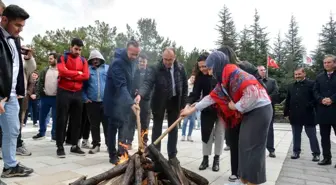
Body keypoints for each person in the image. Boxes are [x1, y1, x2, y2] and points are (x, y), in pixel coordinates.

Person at [181, 51, 272, 185]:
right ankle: (243, 179)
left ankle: (253, 182)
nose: (210, 73)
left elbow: (252, 94)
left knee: (252, 148)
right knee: (244, 146)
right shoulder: (224, 79)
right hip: (250, 112)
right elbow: (210, 98)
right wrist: (191, 110)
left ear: (218, 65)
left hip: (260, 110)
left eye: (211, 68)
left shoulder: (236, 74)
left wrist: (235, 106)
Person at [135, 47, 188, 160]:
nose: (168, 62)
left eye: (170, 59)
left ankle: (172, 155)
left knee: (173, 128)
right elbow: (147, 83)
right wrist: (140, 94)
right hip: (159, 101)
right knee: (157, 128)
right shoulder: (155, 68)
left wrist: (183, 106)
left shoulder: (180, 68)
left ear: (175, 57)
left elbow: (185, 87)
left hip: (174, 100)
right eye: (165, 59)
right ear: (162, 57)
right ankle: (155, 154)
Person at [0, 4, 34, 177]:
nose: (20, 30)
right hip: (1, 95)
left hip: (11, 95)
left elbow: (16, 68)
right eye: (17, 25)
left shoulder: (15, 40)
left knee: (13, 130)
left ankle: (10, 166)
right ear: (4, 20)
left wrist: (19, 89)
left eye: (22, 26)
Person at [186, 53, 225, 173]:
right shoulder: (200, 77)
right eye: (200, 67)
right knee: (206, 134)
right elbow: (196, 94)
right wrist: (188, 104)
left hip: (221, 110)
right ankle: (205, 158)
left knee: (219, 134)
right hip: (207, 109)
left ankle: (216, 159)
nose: (202, 69)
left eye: (204, 66)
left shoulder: (219, 74)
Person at [104, 40, 140, 164]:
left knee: (123, 126)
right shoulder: (117, 63)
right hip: (114, 101)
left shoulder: (132, 62)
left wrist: (136, 92)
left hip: (124, 100)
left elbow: (132, 79)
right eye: (132, 54)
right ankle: (112, 154)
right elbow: (121, 86)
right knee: (113, 127)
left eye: (136, 54)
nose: (134, 57)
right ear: (127, 50)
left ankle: (121, 150)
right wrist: (130, 103)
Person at [55, 38, 89, 158]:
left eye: (80, 49)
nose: (78, 51)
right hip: (64, 91)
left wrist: (71, 74)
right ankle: (60, 146)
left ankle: (75, 145)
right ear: (71, 47)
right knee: (62, 119)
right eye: (76, 49)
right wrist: (77, 74)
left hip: (77, 93)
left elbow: (86, 75)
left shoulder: (84, 60)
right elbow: (62, 72)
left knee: (77, 120)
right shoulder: (62, 57)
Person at [284, 68, 320, 161]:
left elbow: (316, 98)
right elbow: (288, 100)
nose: (297, 76)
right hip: (295, 115)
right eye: (296, 74)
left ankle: (316, 153)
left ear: (304, 73)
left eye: (299, 74)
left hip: (308, 114)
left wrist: (309, 105)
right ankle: (296, 152)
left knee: (312, 135)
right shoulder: (291, 86)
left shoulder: (312, 84)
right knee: (296, 135)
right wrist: (286, 113)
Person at [82, 49, 109, 154]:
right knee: (94, 125)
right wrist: (85, 98)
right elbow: (83, 87)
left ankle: (109, 145)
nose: (95, 61)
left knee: (107, 125)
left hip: (106, 102)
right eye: (93, 59)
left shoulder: (107, 69)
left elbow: (112, 84)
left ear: (101, 59)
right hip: (92, 103)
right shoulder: (87, 70)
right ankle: (96, 145)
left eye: (97, 58)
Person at [124, 54, 151, 149]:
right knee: (131, 121)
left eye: (143, 62)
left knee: (144, 123)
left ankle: (144, 142)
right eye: (140, 62)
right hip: (134, 100)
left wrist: (141, 93)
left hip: (146, 101)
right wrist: (134, 92)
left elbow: (149, 86)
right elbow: (130, 84)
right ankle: (129, 142)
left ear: (146, 62)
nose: (142, 63)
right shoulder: (135, 72)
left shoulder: (149, 73)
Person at [313, 55, 336, 166]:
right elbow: (315, 91)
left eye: (329, 62)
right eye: (325, 63)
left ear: (334, 63)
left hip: (335, 110)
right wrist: (321, 99)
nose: (326, 64)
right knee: (324, 137)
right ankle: (327, 158)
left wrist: (332, 99)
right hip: (323, 111)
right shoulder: (319, 77)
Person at [32, 53, 58, 141]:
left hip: (56, 98)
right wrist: (40, 94)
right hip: (45, 97)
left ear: (56, 59)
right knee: (42, 116)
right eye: (49, 58)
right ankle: (41, 133)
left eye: (51, 58)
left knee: (55, 117)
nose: (49, 60)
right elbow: (40, 83)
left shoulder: (61, 71)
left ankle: (54, 135)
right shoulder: (45, 70)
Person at [257, 65, 278, 158]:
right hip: (256, 108)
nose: (263, 71)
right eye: (261, 70)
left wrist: (268, 98)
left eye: (264, 70)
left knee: (269, 129)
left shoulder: (272, 81)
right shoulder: (254, 81)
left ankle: (271, 149)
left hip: (268, 107)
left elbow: (276, 91)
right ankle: (257, 148)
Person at [181, 75, 196, 142]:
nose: (193, 79)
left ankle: (189, 135)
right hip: (186, 105)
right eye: (192, 77)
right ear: (190, 77)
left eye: (194, 78)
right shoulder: (186, 84)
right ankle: (183, 135)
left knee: (192, 121)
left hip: (193, 105)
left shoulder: (196, 85)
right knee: (185, 121)